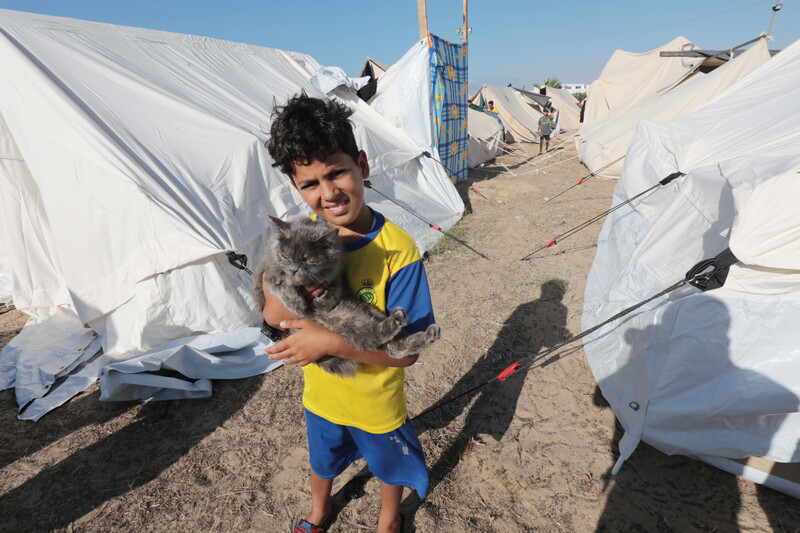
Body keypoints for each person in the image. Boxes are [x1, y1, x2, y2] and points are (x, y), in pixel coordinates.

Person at [263, 93, 434, 533]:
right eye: (310, 184)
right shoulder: (297, 241)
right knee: (322, 460)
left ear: (362, 165)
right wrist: (282, 284)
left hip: (376, 400)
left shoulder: (398, 250)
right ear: (297, 188)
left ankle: (388, 518)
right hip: (321, 397)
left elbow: (407, 352)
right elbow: (273, 315)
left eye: (337, 172)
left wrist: (329, 341)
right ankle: (320, 511)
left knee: (388, 466)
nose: (328, 193)